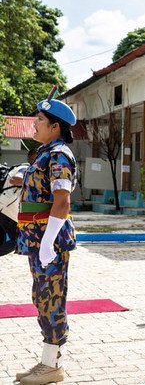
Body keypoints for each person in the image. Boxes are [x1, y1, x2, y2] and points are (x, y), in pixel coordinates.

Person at [15, 94, 79, 384]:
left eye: (40, 120)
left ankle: (52, 365)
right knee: (41, 298)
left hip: (48, 240)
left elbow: (62, 201)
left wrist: (47, 243)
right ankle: (46, 361)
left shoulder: (58, 154)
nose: (34, 125)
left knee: (51, 299)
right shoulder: (45, 153)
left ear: (55, 127)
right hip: (37, 237)